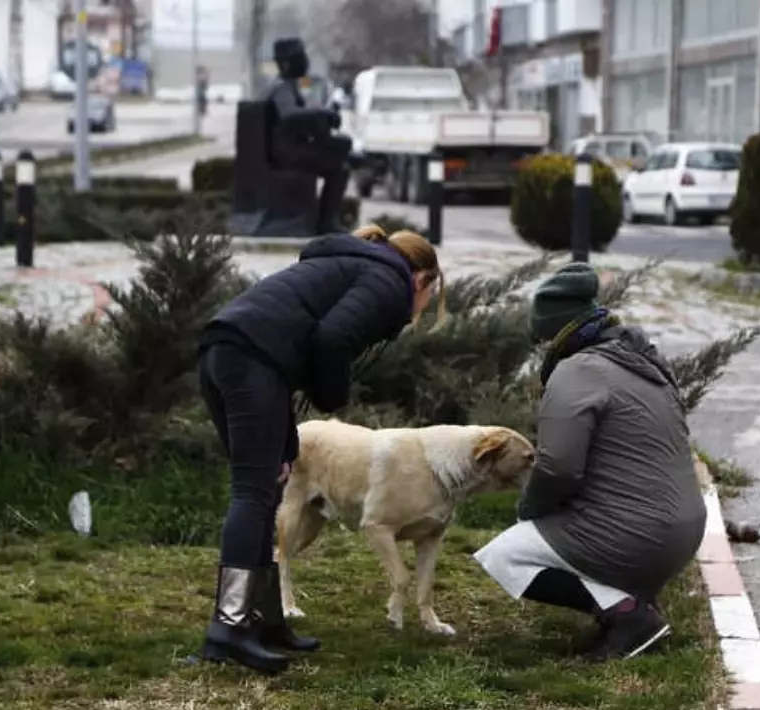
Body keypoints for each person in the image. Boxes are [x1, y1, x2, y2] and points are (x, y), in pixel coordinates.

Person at [195, 225, 444, 674]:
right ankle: (228, 626)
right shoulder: (389, 282)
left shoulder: (346, 262)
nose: (417, 311)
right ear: (423, 280)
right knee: (253, 493)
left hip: (226, 353)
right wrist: (333, 398)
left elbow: (298, 336)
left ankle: (265, 620)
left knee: (270, 483)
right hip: (250, 362)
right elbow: (331, 340)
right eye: (427, 300)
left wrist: (290, 436)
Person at [473, 262, 707, 662]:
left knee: (504, 553)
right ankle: (634, 600)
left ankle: (631, 618)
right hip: (685, 531)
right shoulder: (644, 363)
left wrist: (529, 510)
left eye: (541, 342)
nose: (541, 351)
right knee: (571, 527)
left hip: (638, 536)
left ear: (555, 334)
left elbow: (559, 467)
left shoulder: (575, 372)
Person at [265, 38, 353, 235]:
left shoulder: (289, 86)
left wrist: (322, 121)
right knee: (339, 169)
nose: (305, 61)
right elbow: (288, 114)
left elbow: (300, 120)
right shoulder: (282, 87)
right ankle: (327, 223)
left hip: (293, 148)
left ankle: (327, 220)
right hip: (288, 153)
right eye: (300, 57)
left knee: (342, 149)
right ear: (287, 63)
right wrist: (322, 113)